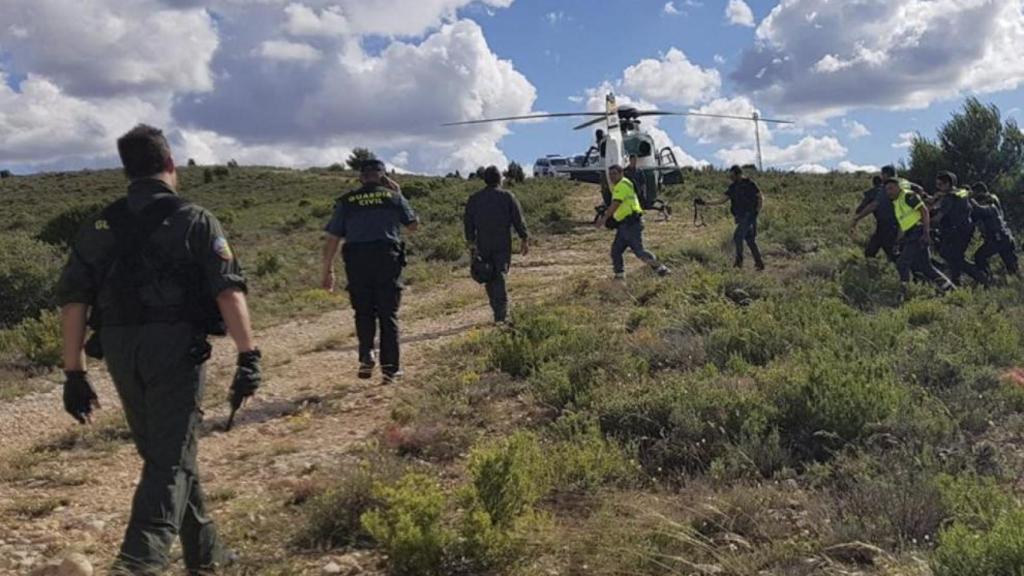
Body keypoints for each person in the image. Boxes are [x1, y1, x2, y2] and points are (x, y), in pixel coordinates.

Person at [57, 124, 261, 575]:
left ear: (126, 170)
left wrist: (74, 372)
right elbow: (228, 291)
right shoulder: (195, 217)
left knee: (166, 451)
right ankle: (137, 563)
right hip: (173, 346)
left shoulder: (98, 225)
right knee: (169, 459)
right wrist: (248, 356)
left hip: (119, 347)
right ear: (170, 165)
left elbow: (75, 301)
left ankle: (207, 554)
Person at [322, 159, 418, 383]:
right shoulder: (393, 197)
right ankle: (390, 370)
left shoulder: (347, 201)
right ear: (383, 176)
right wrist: (400, 193)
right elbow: (413, 226)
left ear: (360, 177)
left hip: (357, 260)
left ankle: (367, 354)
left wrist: (327, 270)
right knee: (388, 314)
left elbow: (333, 238)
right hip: (386, 259)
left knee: (363, 311)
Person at [463, 166, 529, 323]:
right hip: (502, 242)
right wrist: (524, 238)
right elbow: (518, 219)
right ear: (499, 179)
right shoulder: (507, 196)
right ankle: (501, 315)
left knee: (488, 275)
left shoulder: (474, 199)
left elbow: (468, 223)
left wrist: (471, 242)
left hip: (483, 242)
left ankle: (498, 310)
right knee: (499, 275)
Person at [595, 164, 671, 279]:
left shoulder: (622, 185)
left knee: (639, 252)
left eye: (614, 174)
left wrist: (604, 218)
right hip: (624, 225)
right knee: (616, 251)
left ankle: (661, 269)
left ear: (621, 173)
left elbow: (616, 203)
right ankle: (619, 277)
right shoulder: (621, 186)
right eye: (610, 175)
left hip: (631, 224)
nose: (612, 177)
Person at [884, 177, 955, 296]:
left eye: (891, 188)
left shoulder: (908, 196)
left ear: (898, 187)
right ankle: (951, 289)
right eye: (886, 190)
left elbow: (924, 211)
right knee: (926, 267)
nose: (889, 192)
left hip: (918, 231)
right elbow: (904, 224)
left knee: (902, 263)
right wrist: (898, 241)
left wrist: (926, 233)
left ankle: (904, 293)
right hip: (911, 233)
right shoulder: (897, 203)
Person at [705, 165, 765, 270]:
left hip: (749, 215)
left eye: (732, 175)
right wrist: (705, 203)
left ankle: (739, 263)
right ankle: (759, 263)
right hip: (741, 217)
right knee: (750, 240)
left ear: (738, 174)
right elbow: (722, 200)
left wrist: (756, 212)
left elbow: (760, 197)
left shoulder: (749, 184)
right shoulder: (733, 187)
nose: (730, 177)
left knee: (737, 236)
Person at [932, 171, 986, 285]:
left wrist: (925, 222)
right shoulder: (961, 193)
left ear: (948, 184)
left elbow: (939, 217)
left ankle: (981, 277)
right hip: (965, 228)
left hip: (957, 231)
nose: (938, 187)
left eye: (940, 184)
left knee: (951, 255)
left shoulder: (949, 197)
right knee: (954, 256)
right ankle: (956, 281)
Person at [850, 175, 898, 261]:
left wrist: (857, 218)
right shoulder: (894, 190)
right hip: (897, 223)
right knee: (887, 249)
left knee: (874, 251)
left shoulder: (877, 192)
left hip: (885, 225)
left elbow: (868, 206)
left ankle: (871, 268)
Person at [971, 193, 1019, 279]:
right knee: (1011, 264)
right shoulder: (989, 209)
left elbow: (980, 210)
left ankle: (987, 277)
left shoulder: (991, 207)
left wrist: (971, 200)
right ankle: (1015, 280)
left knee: (979, 256)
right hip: (1002, 239)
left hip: (999, 239)